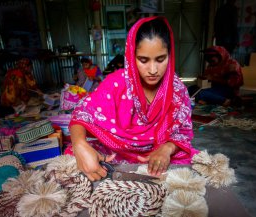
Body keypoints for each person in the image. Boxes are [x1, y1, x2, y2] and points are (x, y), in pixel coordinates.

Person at [65, 17, 198, 181]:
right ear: (131, 56)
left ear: (170, 56)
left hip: (158, 153)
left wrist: (167, 149)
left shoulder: (177, 91)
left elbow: (183, 133)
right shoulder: (116, 83)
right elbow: (82, 113)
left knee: (192, 164)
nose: (153, 70)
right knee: (75, 155)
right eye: (143, 60)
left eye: (160, 59)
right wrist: (79, 144)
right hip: (116, 152)